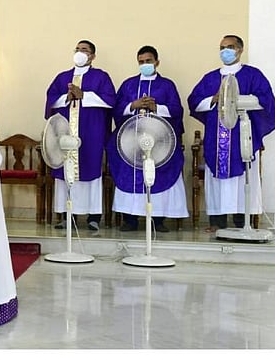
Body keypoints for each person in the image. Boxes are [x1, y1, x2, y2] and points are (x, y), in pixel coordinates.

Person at [187, 35, 275, 233]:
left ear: (240, 50)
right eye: (222, 47)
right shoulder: (211, 77)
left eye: (230, 47)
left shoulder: (253, 75)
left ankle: (243, 220)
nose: (225, 51)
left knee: (244, 179)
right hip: (217, 136)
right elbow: (194, 100)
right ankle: (217, 221)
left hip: (243, 136)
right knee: (218, 180)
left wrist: (235, 99)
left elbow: (266, 101)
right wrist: (213, 99)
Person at [107, 46, 188, 233]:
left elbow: (177, 111)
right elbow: (117, 110)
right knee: (128, 171)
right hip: (132, 144)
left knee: (160, 173)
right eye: (141, 62)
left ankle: (158, 220)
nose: (145, 65)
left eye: (148, 61)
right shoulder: (128, 85)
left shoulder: (167, 85)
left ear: (157, 62)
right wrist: (132, 105)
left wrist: (157, 107)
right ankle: (130, 219)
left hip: (160, 142)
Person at [45, 40, 116, 231]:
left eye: (84, 49)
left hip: (91, 131)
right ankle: (68, 215)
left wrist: (83, 95)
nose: (79, 52)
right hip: (65, 133)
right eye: (77, 49)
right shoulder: (62, 78)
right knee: (65, 170)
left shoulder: (101, 77)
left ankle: (93, 216)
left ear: (92, 56)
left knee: (90, 169)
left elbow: (110, 101)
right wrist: (66, 97)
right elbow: (51, 100)